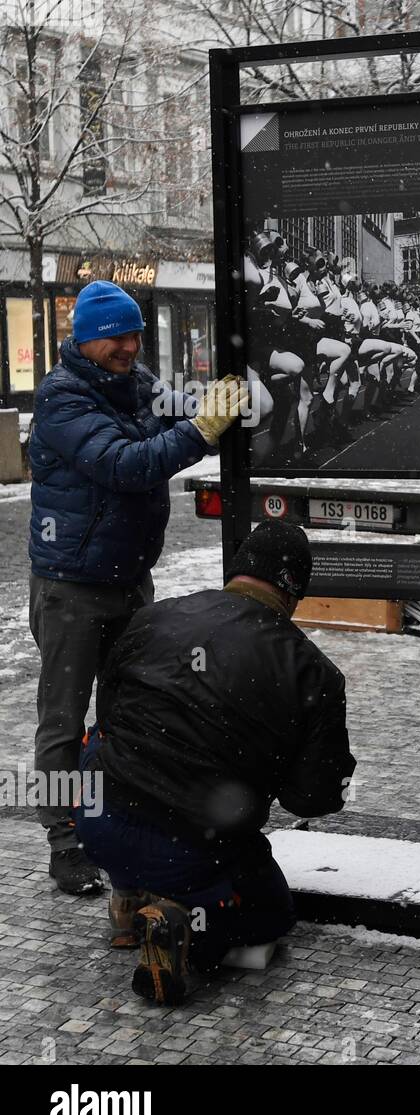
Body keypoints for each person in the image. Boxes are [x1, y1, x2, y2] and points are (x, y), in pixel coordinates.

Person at [75, 522, 356, 1006]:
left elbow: (109, 717)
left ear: (238, 570)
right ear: (294, 590)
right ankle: (179, 927)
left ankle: (128, 895)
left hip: (96, 820)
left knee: (105, 746)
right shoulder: (312, 672)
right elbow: (313, 797)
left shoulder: (153, 618)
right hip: (190, 843)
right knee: (270, 914)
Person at [27, 280, 246, 896]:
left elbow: (172, 406)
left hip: (129, 581)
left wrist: (222, 398)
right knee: (64, 722)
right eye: (118, 337)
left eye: (135, 335)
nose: (130, 346)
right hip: (70, 587)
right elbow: (127, 465)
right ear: (88, 339)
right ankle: (64, 841)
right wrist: (202, 432)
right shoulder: (63, 400)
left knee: (131, 713)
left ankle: (120, 821)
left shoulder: (135, 382)